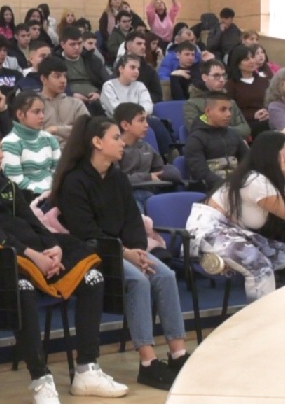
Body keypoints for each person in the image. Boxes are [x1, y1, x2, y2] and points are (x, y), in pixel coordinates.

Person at [0, 122, 120, 400]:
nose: (1, 154)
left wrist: (52, 247)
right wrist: (31, 255)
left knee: (93, 276)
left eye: (1, 148)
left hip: (32, 251)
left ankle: (87, 369)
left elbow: (32, 220)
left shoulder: (5, 183)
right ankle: (40, 378)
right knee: (21, 287)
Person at [51, 115, 190, 391]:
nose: (121, 143)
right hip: (92, 253)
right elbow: (86, 232)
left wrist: (138, 250)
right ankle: (148, 362)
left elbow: (132, 219)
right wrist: (126, 254)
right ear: (97, 142)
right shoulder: (74, 181)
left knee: (165, 275)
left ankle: (178, 354)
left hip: (123, 250)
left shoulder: (117, 177)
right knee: (138, 281)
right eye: (115, 138)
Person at [185, 131, 285, 301]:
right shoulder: (254, 181)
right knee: (260, 267)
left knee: (282, 254)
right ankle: (262, 314)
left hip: (233, 229)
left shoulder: (265, 179)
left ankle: (225, 263)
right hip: (210, 230)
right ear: (273, 155)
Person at [185, 92, 250, 191]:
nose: (228, 114)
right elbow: (200, 174)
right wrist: (227, 185)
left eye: (230, 109)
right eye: (223, 110)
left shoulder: (233, 134)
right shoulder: (195, 139)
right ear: (208, 111)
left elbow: (248, 162)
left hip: (237, 185)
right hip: (211, 190)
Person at [2, 91, 60, 195]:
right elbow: (16, 181)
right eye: (36, 112)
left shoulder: (49, 138)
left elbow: (58, 171)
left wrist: (55, 191)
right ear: (20, 114)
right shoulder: (10, 143)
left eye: (42, 111)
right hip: (28, 197)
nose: (42, 116)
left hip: (53, 193)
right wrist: (44, 193)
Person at [226, 44, 272, 138]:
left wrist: (267, 112)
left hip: (266, 118)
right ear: (237, 63)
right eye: (246, 59)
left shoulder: (263, 81)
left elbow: (271, 101)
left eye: (252, 57)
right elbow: (232, 111)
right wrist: (253, 115)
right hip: (245, 122)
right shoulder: (231, 85)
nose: (252, 61)